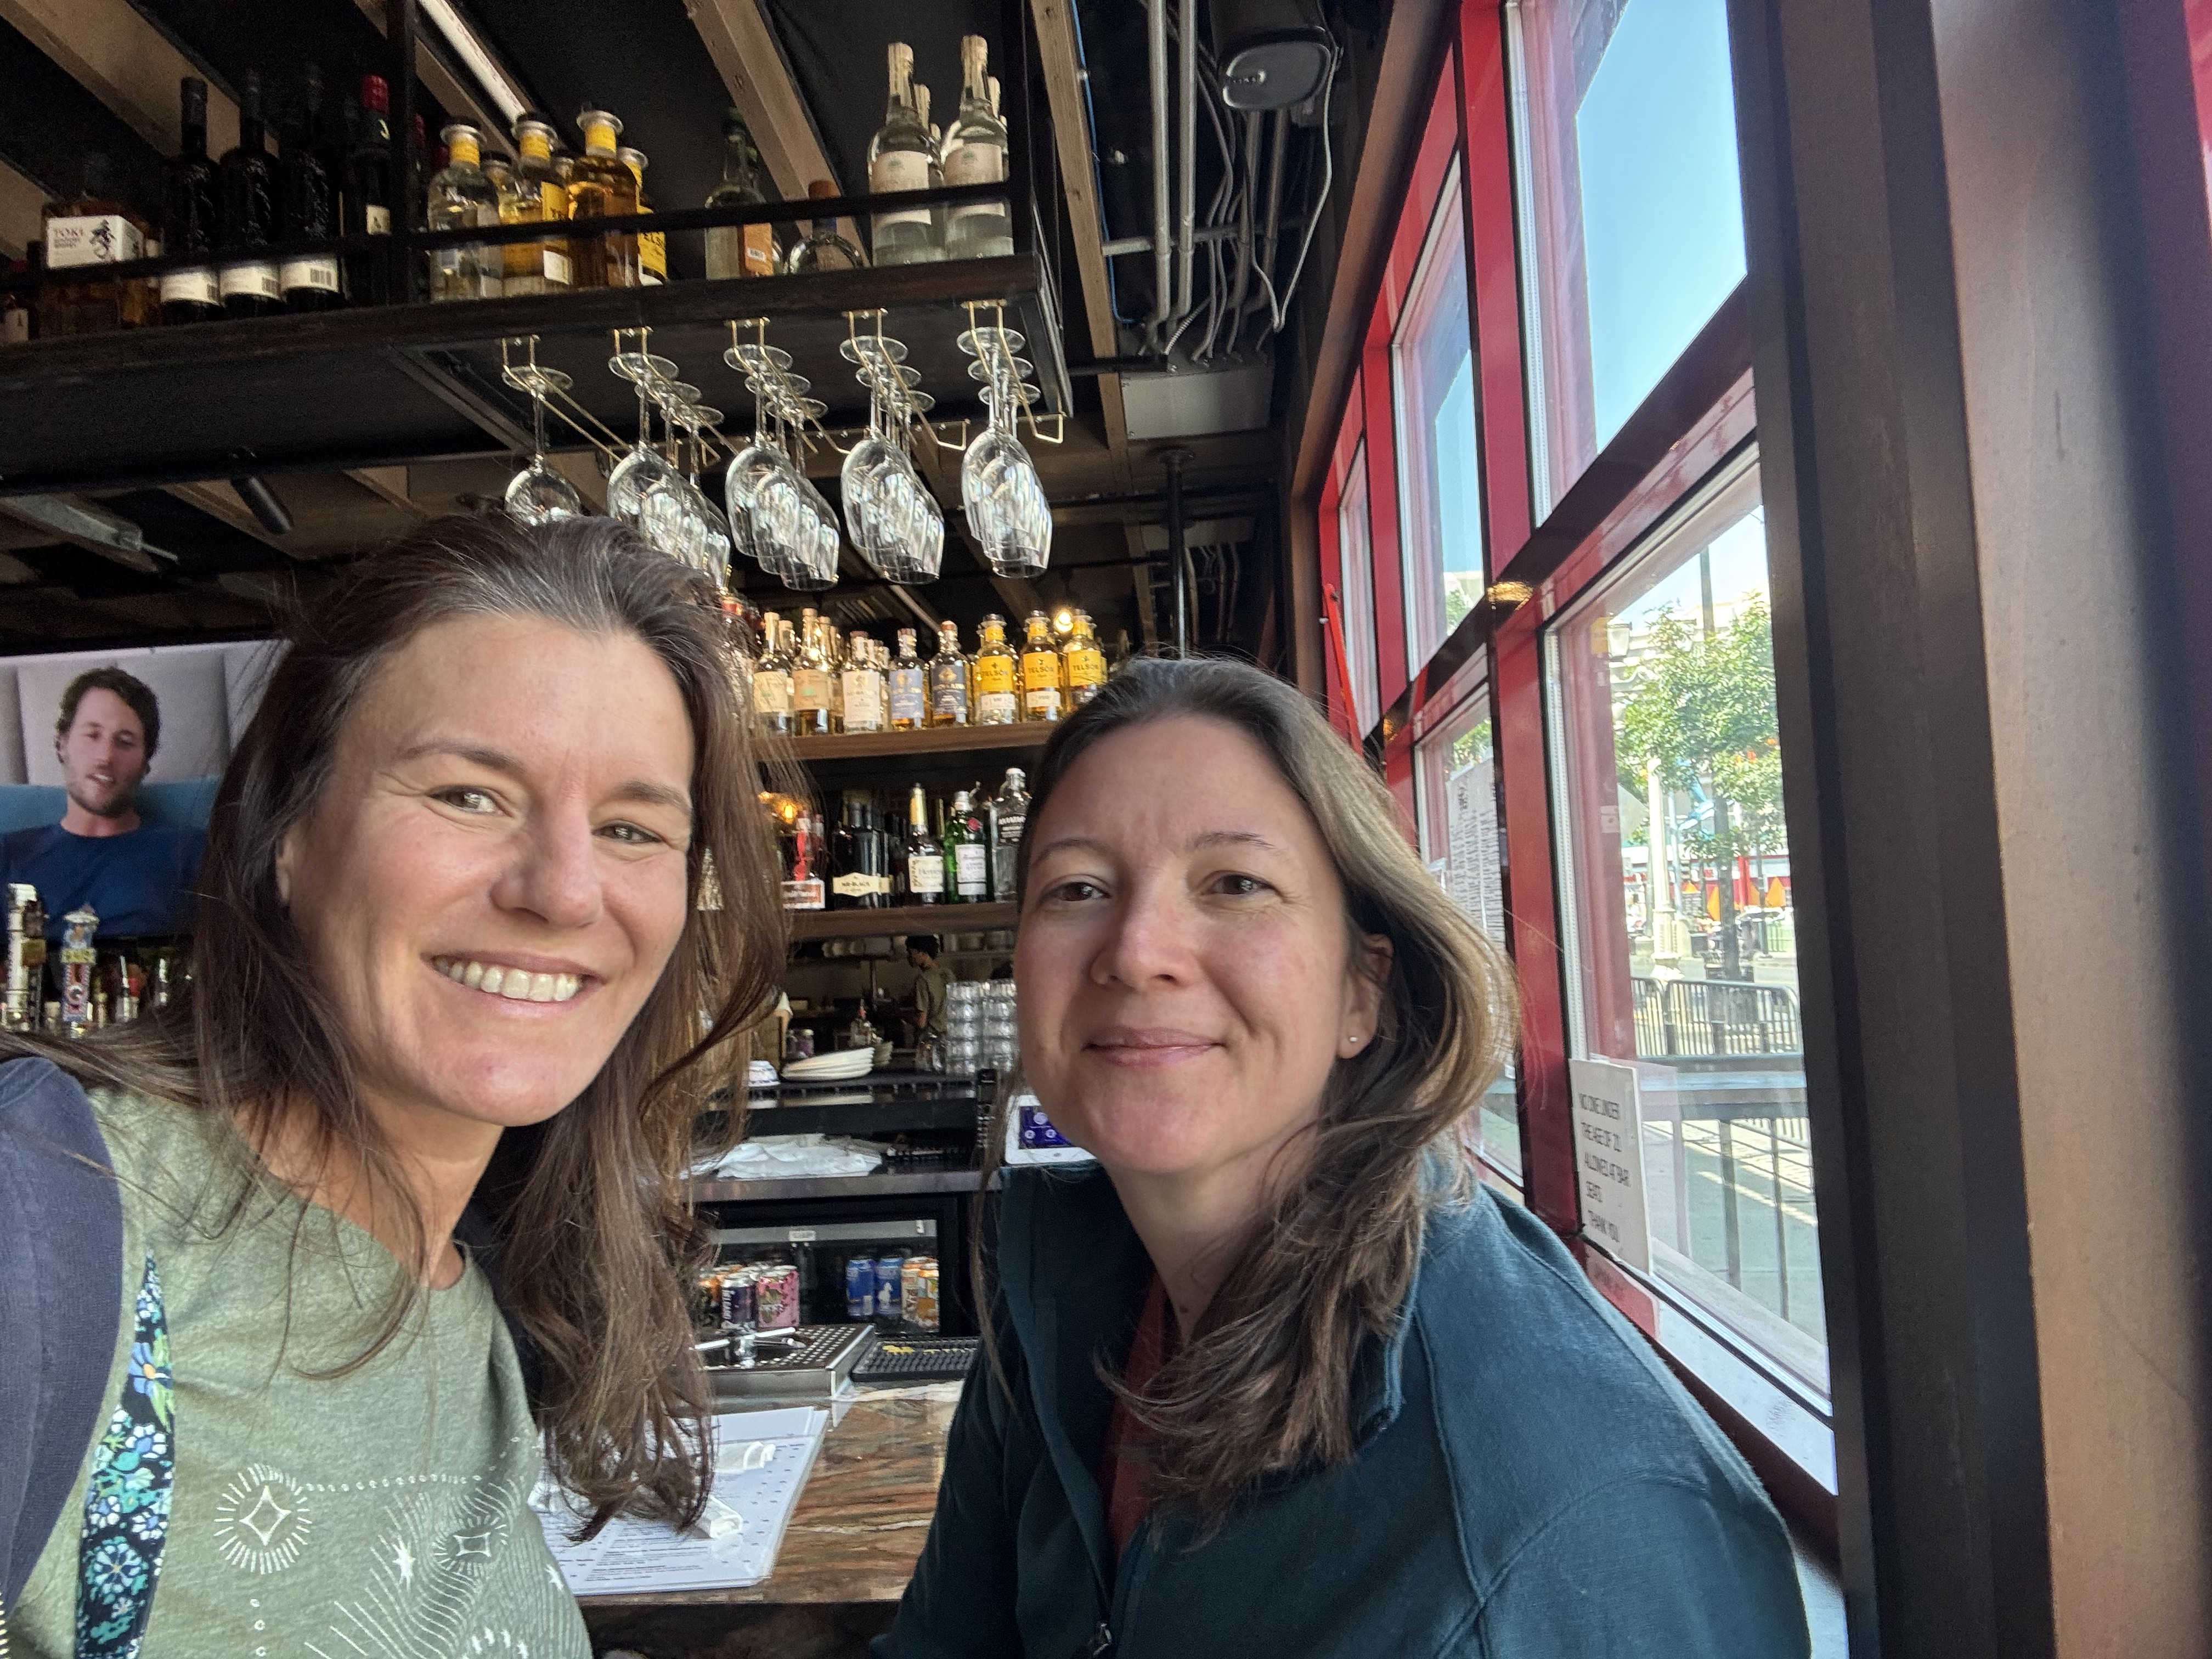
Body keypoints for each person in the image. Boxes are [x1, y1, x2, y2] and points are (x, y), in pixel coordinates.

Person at [880, 657, 1811, 1658]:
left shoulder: (1555, 1530)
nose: (1137, 949)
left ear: (1361, 991)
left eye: (1235, 884)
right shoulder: (1057, 1287)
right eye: (1078, 888)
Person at [0, 518, 784, 1656]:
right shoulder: (50, 1226)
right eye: (470, 794)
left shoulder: (498, 1286)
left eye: (630, 827)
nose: (566, 891)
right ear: (287, 832)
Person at [0, 667, 205, 942]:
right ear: (62, 744)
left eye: (125, 742)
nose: (105, 757)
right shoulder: (9, 855)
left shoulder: (190, 852)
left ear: (145, 763)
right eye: (92, 735)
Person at [906, 932, 950, 1047]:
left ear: (922, 953)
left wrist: (901, 1015)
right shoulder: (948, 974)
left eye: (911, 953)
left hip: (932, 1040)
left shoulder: (923, 980)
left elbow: (921, 1022)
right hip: (950, 1037)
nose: (909, 957)